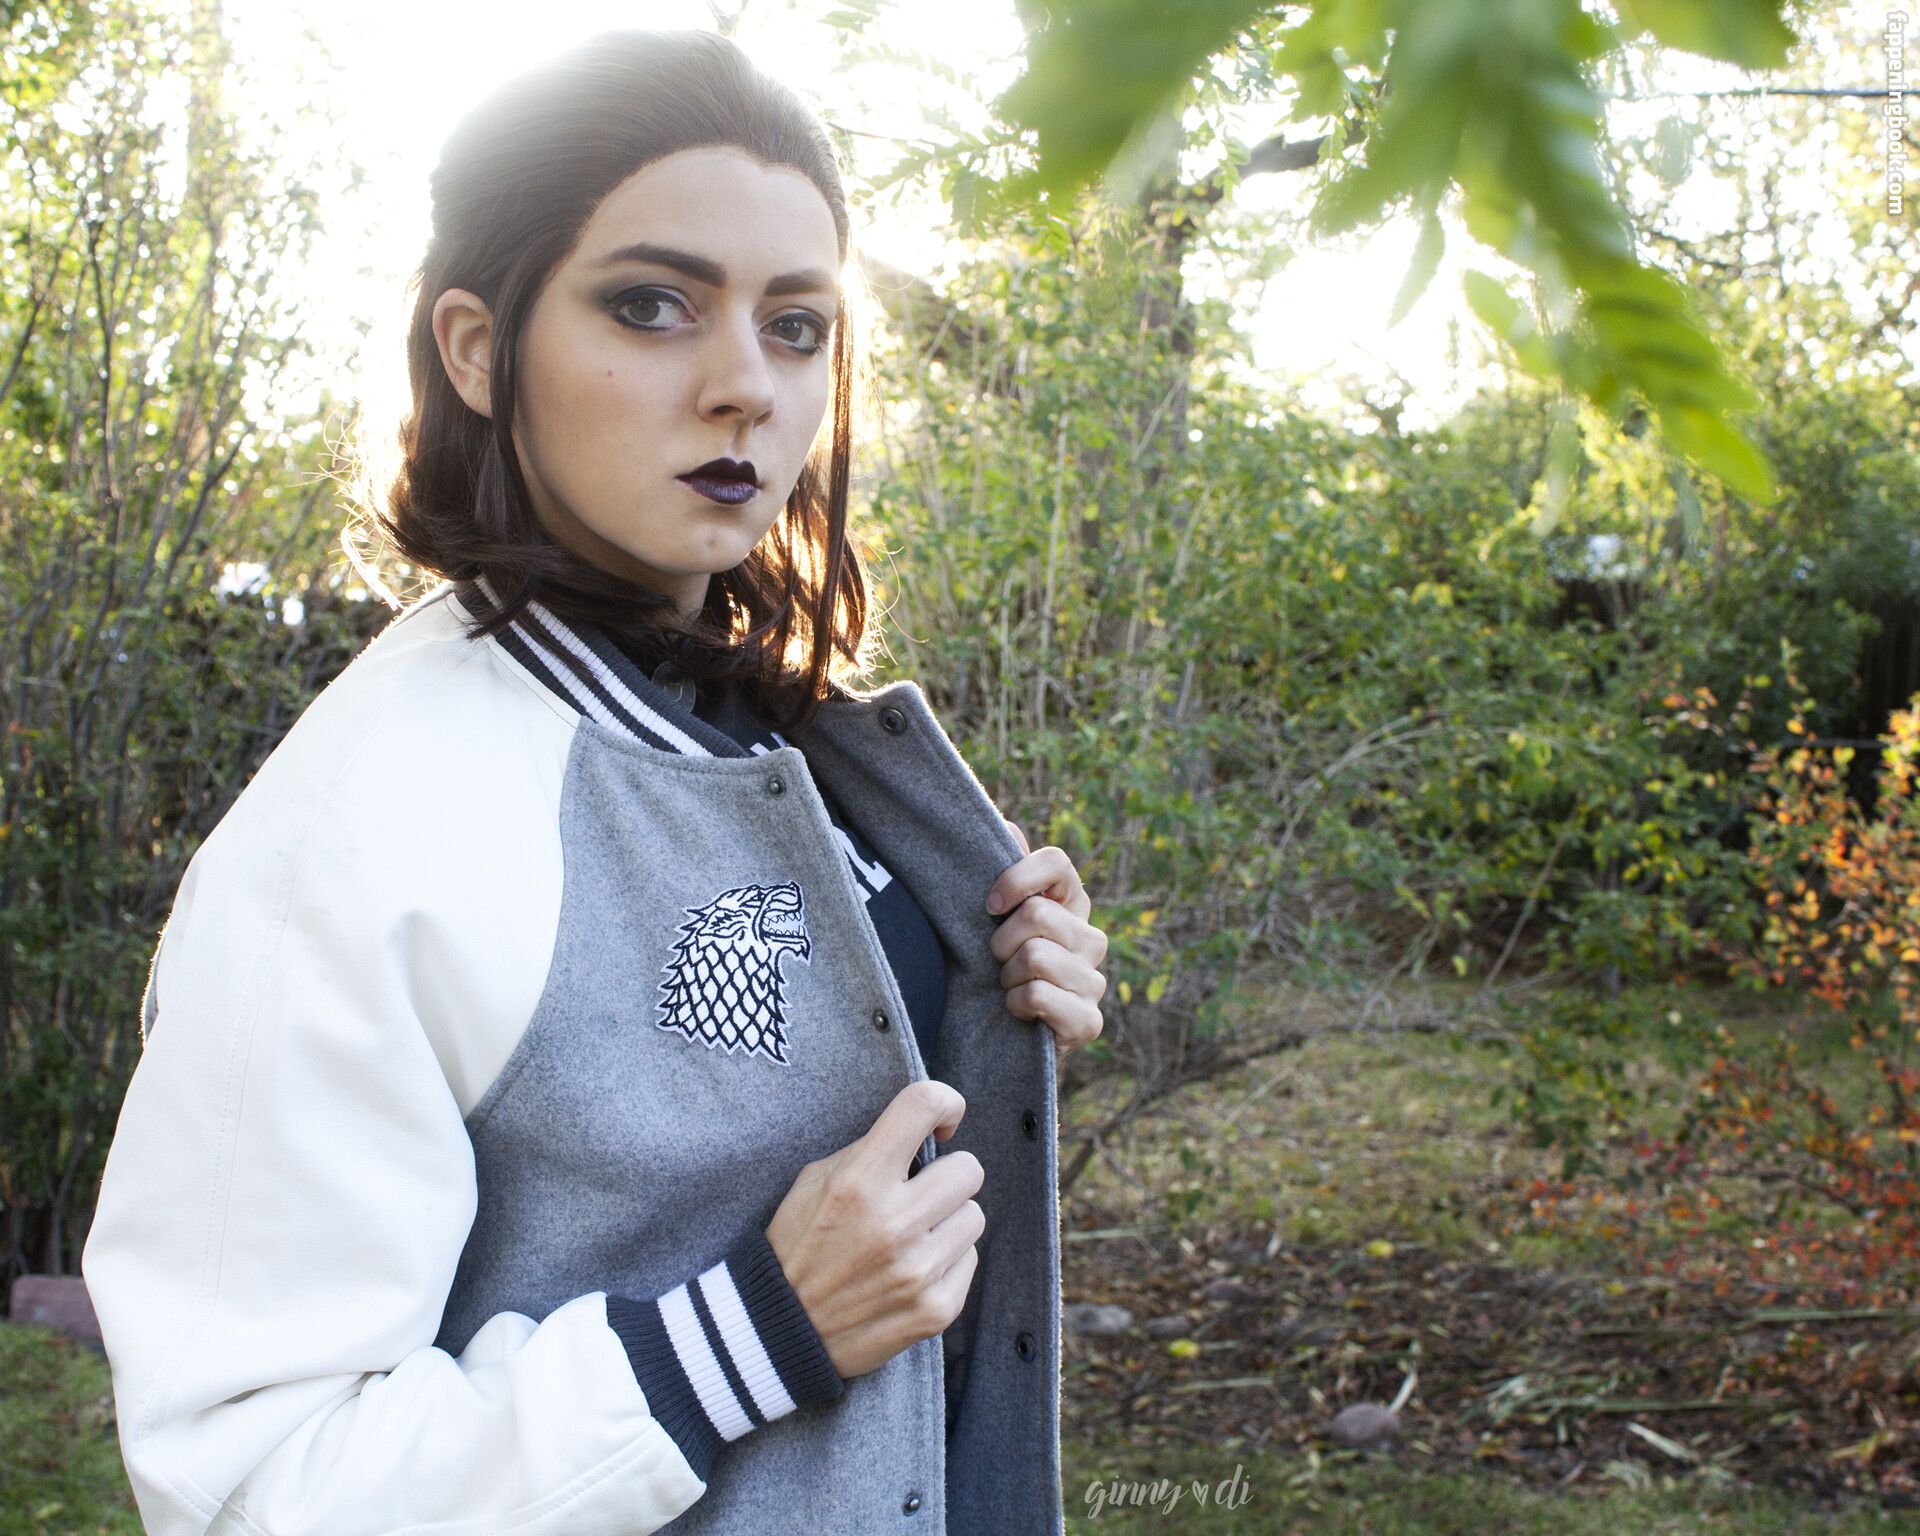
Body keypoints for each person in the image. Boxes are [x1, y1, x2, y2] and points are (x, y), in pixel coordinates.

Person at [81, 29, 1108, 1536]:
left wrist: (983, 976)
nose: (744, 387)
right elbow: (247, 1485)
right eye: (651, 305)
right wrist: (745, 1337)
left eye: (798, 325)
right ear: (476, 347)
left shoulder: (778, 730)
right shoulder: (356, 840)